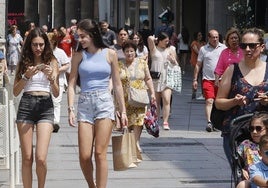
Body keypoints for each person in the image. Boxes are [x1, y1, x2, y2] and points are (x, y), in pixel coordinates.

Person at [67, 19, 128, 188]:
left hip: (104, 102)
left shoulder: (110, 54)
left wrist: (122, 111)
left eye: (83, 36)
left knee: (100, 153)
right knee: (84, 156)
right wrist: (71, 108)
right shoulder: (78, 56)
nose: (80, 40)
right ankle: (91, 185)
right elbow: (71, 83)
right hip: (85, 103)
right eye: (78, 36)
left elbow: (117, 84)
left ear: (93, 35)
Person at [215, 27, 268, 170]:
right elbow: (219, 102)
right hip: (236, 133)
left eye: (252, 45)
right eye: (244, 46)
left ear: (262, 47)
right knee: (241, 174)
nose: (248, 49)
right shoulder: (232, 70)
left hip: (264, 134)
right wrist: (234, 101)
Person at [13, 27, 59, 188]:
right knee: (27, 157)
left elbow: (57, 92)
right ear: (29, 45)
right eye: (34, 45)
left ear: (46, 44)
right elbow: (16, 91)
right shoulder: (24, 61)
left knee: (41, 157)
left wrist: (51, 78)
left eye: (41, 44)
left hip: (45, 105)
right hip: (26, 105)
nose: (38, 48)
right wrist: (26, 76)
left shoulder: (52, 61)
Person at [118, 40, 155, 152]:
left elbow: (148, 78)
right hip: (125, 97)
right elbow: (114, 81)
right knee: (128, 121)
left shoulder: (142, 63)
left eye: (132, 51)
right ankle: (128, 142)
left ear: (135, 51)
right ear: (123, 52)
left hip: (139, 96)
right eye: (127, 51)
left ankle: (136, 142)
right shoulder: (119, 64)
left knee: (139, 120)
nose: (129, 53)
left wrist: (152, 93)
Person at [192, 29, 226, 132]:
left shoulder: (224, 48)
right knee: (209, 100)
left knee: (218, 102)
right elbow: (198, 65)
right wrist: (195, 79)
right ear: (209, 38)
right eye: (213, 37)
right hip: (208, 79)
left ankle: (217, 122)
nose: (215, 39)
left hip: (221, 80)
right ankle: (209, 122)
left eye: (217, 37)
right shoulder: (203, 49)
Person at [147, 32, 178, 130]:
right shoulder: (154, 49)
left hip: (167, 77)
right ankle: (155, 121)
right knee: (155, 101)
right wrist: (154, 39)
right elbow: (149, 38)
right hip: (156, 78)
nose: (167, 42)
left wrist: (173, 60)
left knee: (166, 99)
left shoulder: (171, 49)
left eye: (168, 41)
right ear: (159, 41)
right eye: (165, 41)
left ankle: (165, 121)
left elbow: (176, 64)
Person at [236, 112, 268, 188]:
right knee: (242, 185)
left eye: (258, 128)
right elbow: (237, 160)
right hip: (252, 177)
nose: (254, 132)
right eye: (251, 128)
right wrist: (241, 169)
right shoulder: (246, 144)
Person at [47, 32, 70, 133]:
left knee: (56, 101)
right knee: (47, 101)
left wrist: (57, 70)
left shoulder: (60, 52)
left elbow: (67, 65)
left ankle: (55, 122)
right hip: (46, 80)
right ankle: (47, 121)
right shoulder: (44, 52)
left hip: (59, 80)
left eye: (50, 41)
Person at [190, 31, 206, 99]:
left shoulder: (203, 43)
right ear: (196, 36)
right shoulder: (194, 43)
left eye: (201, 35)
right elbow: (197, 52)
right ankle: (194, 93)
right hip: (195, 63)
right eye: (199, 35)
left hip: (202, 64)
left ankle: (203, 94)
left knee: (203, 79)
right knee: (195, 79)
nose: (200, 36)